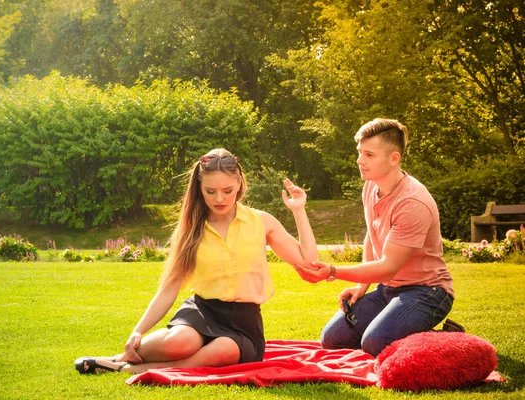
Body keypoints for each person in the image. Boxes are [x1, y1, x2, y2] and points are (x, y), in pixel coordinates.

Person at [75, 148, 319, 374]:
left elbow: (309, 262)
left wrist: (298, 211)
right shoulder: (192, 229)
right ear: (199, 188)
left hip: (244, 322)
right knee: (178, 342)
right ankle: (118, 358)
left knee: (224, 350)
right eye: (210, 192)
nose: (219, 199)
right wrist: (138, 330)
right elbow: (170, 287)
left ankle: (133, 369)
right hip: (202, 311)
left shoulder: (261, 221)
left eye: (227, 191)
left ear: (239, 184)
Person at [295, 118, 455, 357]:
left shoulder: (412, 202)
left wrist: (332, 271)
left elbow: (387, 267)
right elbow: (372, 235)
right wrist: (362, 287)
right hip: (388, 290)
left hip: (427, 292)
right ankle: (404, 329)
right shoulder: (371, 187)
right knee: (332, 338)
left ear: (394, 159)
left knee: (374, 343)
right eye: (360, 153)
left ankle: (446, 339)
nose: (360, 161)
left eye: (369, 155)